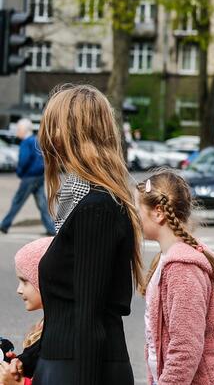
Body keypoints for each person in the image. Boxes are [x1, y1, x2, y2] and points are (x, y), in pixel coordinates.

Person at [36, 84, 143, 385]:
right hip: (64, 363)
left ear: (70, 132)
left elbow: (89, 316)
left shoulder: (97, 208)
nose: (46, 136)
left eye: (52, 125)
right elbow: (65, 313)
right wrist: (26, 359)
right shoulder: (81, 200)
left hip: (80, 370)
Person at [136, 171, 214, 385]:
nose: (135, 217)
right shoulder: (166, 260)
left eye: (138, 209)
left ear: (158, 212)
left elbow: (185, 348)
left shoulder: (183, 268)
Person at [0, 237, 53, 385]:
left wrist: (20, 384)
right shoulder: (45, 325)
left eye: (24, 281)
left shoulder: (61, 334)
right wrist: (18, 364)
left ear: (44, 281)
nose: (19, 290)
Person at [0, 118, 55, 235]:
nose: (17, 132)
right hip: (39, 175)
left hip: (29, 176)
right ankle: (51, 229)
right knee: (42, 204)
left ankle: (4, 225)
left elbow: (23, 160)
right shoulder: (36, 140)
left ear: (24, 130)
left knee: (17, 201)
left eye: (18, 129)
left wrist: (20, 172)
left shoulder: (26, 142)